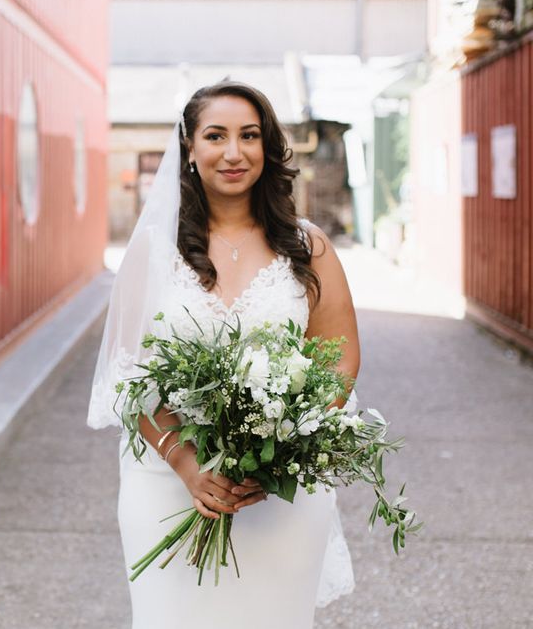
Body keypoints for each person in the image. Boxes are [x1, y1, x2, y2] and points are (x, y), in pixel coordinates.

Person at [88, 81, 358, 628]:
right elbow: (129, 369)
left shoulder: (309, 249)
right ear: (189, 147)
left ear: (268, 148)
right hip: (165, 479)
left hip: (276, 488)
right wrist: (187, 463)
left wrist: (283, 441)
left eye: (249, 136)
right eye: (216, 136)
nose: (234, 152)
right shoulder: (152, 250)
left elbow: (339, 359)